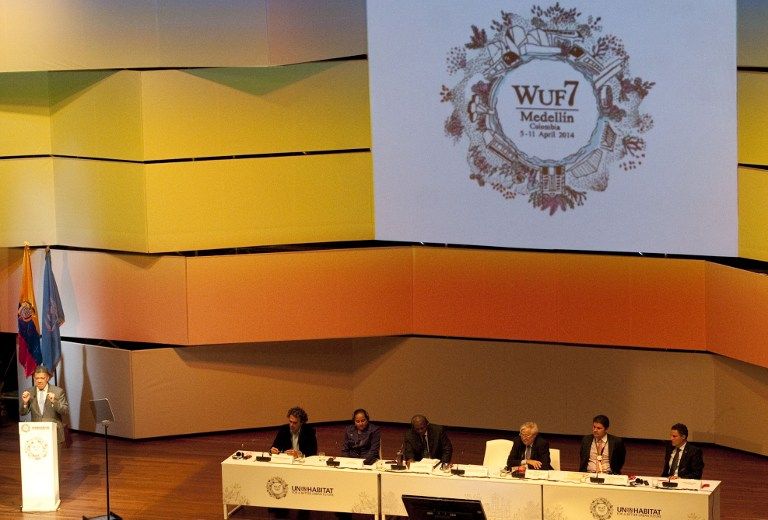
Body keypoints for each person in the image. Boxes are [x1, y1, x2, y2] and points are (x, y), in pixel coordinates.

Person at [19, 365, 69, 446]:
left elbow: (65, 411)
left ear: (47, 378)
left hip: (54, 432)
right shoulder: (29, 392)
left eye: (42, 378)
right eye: (37, 378)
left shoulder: (58, 391)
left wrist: (54, 402)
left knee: (54, 454)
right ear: (34, 378)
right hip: (36, 434)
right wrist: (25, 403)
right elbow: (22, 413)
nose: (39, 381)